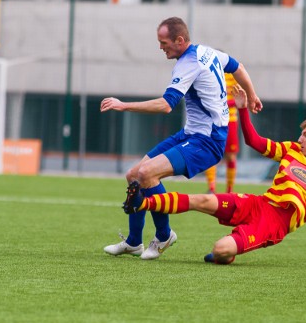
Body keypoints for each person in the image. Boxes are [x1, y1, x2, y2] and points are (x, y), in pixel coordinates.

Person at [123, 85, 306, 270]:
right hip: (259, 203)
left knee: (220, 249)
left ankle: (226, 255)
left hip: (274, 223)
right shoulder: (291, 150)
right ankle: (142, 203)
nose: (300, 138)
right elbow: (254, 142)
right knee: (202, 200)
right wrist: (242, 109)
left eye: (305, 135)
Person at [100, 17, 262, 260]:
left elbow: (166, 105)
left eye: (164, 42)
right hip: (191, 133)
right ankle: (134, 243)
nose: (160, 47)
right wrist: (252, 94)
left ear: (179, 40)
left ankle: (164, 235)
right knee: (134, 174)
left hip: (207, 141)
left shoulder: (188, 63)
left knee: (147, 174)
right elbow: (238, 67)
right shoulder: (208, 52)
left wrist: (123, 105)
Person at [204, 72, 239, 193]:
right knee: (210, 153)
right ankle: (211, 188)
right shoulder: (208, 74)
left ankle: (229, 190)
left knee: (230, 156)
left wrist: (221, 104)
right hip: (212, 120)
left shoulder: (233, 76)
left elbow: (239, 98)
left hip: (230, 121)